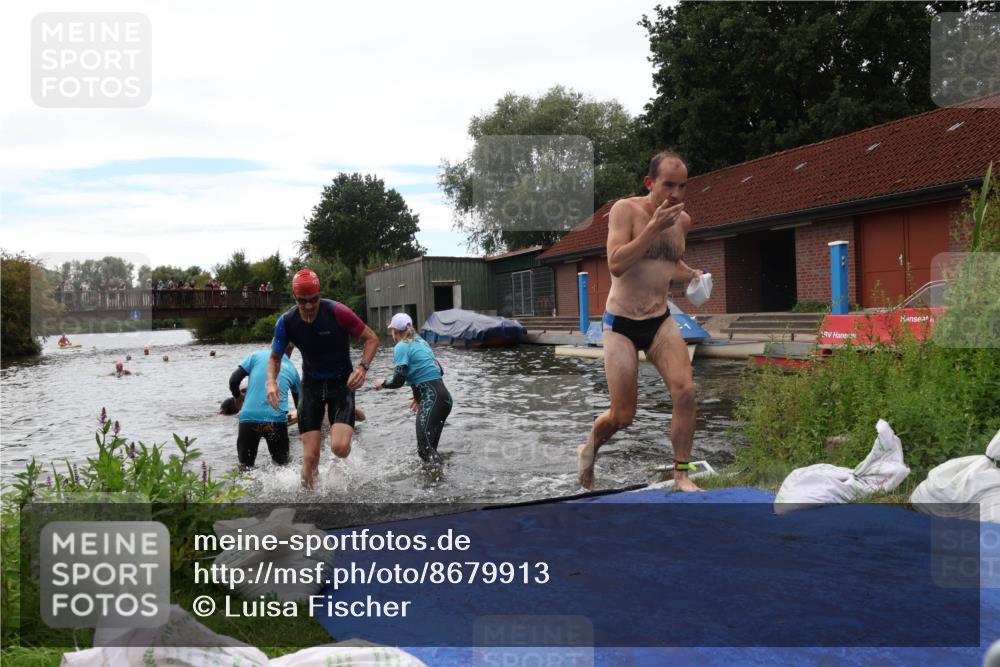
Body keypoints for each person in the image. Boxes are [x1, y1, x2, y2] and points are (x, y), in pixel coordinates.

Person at [577, 150, 704, 492]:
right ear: (650, 183)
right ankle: (589, 447)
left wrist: (691, 273)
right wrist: (652, 227)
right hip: (621, 324)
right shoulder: (625, 211)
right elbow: (616, 263)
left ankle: (682, 475)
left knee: (686, 391)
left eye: (682, 186)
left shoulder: (684, 221)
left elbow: (668, 262)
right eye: (668, 185)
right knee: (623, 416)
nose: (675, 194)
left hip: (659, 319)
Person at [266, 269, 379, 488]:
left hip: (341, 384)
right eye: (302, 301)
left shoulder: (338, 312)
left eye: (313, 300)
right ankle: (309, 505)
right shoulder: (287, 322)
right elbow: (274, 358)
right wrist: (270, 382)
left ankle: (343, 419)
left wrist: (363, 368)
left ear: (319, 294)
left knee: (340, 448)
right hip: (311, 387)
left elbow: (372, 338)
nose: (308, 306)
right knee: (309, 458)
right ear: (294, 297)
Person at [373, 313, 452, 464]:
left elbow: (398, 380)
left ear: (394, 331)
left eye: (391, 331)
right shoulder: (421, 342)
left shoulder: (401, 347)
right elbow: (438, 371)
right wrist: (419, 396)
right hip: (443, 398)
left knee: (425, 450)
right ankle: (434, 484)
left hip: (433, 399)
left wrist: (382, 383)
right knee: (430, 450)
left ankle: (445, 482)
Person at [230, 345, 301, 469]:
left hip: (248, 419)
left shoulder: (255, 356)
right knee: (282, 468)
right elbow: (300, 405)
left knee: (245, 468)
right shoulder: (292, 369)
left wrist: (238, 397)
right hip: (276, 421)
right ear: (291, 350)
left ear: (272, 345)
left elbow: (233, 381)